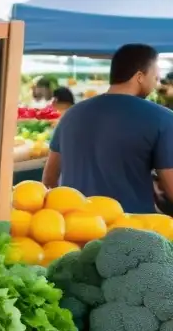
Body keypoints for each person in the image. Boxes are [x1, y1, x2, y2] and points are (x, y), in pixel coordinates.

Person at [42, 44, 173, 214]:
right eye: (155, 77)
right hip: (132, 232)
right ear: (140, 76)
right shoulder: (162, 119)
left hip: (75, 229)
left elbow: (48, 180)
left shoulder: (71, 115)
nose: (156, 84)